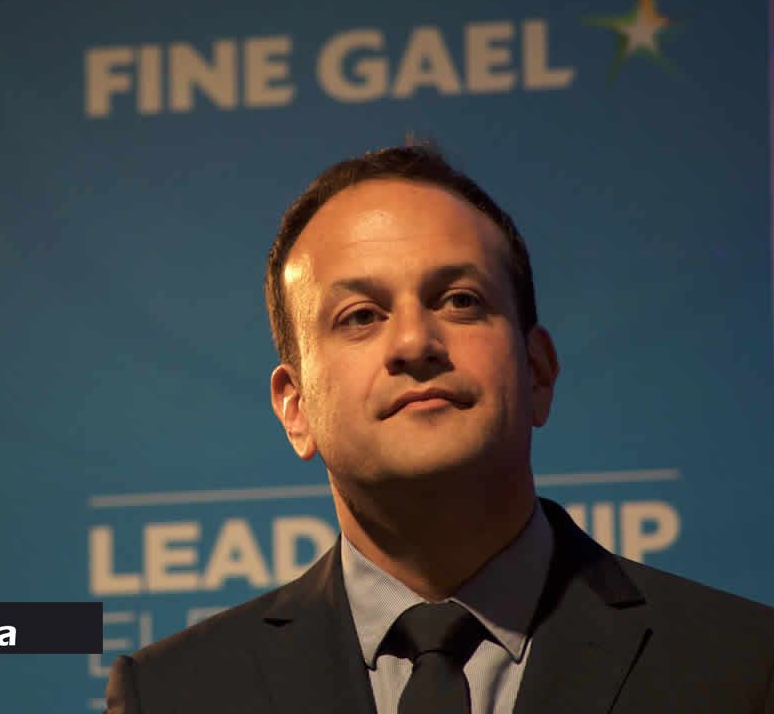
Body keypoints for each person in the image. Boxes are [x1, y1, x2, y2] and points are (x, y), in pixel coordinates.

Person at [104, 144, 774, 713]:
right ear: (295, 408)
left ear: (538, 372)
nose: (414, 343)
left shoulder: (744, 667)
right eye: (360, 316)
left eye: (459, 301)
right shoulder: (171, 694)